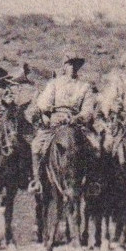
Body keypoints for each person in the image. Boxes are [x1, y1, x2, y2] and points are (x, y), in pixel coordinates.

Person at [27, 55, 96, 192]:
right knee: (37, 145)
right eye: (70, 64)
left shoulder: (85, 87)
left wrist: (77, 118)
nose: (73, 67)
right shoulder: (54, 83)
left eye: (76, 64)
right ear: (64, 66)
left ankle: (92, 182)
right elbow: (43, 103)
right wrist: (52, 114)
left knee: (96, 146)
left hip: (77, 124)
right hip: (55, 123)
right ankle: (37, 180)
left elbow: (88, 110)